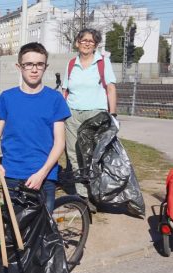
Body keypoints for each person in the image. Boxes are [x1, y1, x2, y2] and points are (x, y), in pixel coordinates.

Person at [0, 42, 70, 213]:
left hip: (44, 176)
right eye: (29, 64)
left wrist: (42, 173)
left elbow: (60, 142)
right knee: (12, 230)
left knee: (40, 233)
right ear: (19, 67)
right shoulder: (7, 97)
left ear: (45, 67)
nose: (34, 69)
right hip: (11, 174)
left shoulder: (55, 99)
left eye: (39, 64)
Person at [62, 28, 117, 211]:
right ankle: (82, 195)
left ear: (96, 45)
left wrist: (113, 115)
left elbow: (110, 89)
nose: (87, 43)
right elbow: (65, 91)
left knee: (93, 155)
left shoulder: (103, 63)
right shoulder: (71, 64)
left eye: (91, 41)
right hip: (72, 114)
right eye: (83, 40)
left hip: (95, 115)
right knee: (73, 153)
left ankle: (95, 192)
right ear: (77, 42)